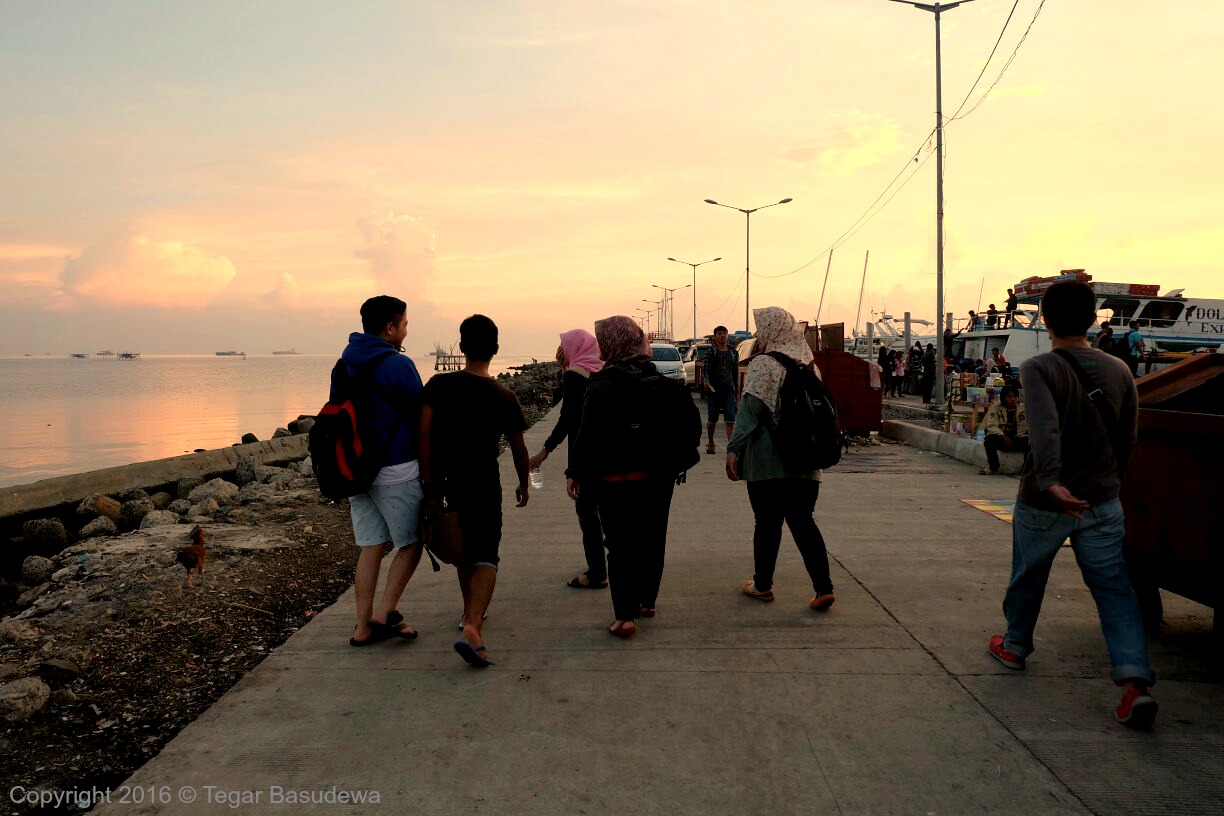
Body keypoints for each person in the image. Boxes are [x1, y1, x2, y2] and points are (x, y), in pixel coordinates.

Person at [988, 280, 1156, 728]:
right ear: (1094, 320)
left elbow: (1044, 431)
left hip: (1045, 501)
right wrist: (1110, 482)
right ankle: (1133, 682)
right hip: (1102, 501)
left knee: (1028, 575)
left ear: (1044, 319)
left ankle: (1016, 646)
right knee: (1115, 590)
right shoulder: (1121, 370)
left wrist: (1051, 481)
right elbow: (1128, 438)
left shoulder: (1039, 368)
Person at [567, 316, 701, 638]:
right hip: (658, 477)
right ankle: (647, 602)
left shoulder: (599, 386)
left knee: (619, 544)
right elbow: (692, 429)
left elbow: (587, 436)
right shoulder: (666, 386)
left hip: (613, 480)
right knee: (653, 537)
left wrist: (576, 473)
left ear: (611, 345)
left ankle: (624, 617)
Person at [420, 314, 531, 669]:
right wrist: (524, 483)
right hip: (483, 483)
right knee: (486, 555)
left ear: (462, 347)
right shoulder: (504, 396)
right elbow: (518, 447)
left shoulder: (438, 385)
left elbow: (422, 434)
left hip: (443, 482)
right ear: (496, 350)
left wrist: (427, 482)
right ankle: (473, 625)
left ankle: (470, 612)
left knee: (460, 547)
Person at [726, 306, 835, 611]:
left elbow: (749, 412)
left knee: (767, 522)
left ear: (771, 331)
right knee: (803, 522)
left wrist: (733, 449)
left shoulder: (764, 364)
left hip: (766, 461)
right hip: (806, 461)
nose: (759, 334)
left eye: (761, 329)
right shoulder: (810, 366)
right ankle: (823, 588)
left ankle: (763, 585)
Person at [334, 295, 425, 647]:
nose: (405, 330)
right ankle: (383, 613)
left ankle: (362, 627)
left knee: (371, 546)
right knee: (411, 543)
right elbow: (421, 418)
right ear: (389, 328)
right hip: (396, 467)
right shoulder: (397, 366)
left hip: (357, 470)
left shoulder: (343, 365)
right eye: (403, 324)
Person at [528, 329, 606, 589]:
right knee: (606, 513)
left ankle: (597, 572)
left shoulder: (575, 375)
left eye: (564, 345)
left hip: (584, 455)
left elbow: (569, 419)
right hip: (607, 453)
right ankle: (611, 568)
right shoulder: (601, 369)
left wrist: (544, 452)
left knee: (587, 511)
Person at [703, 325, 739, 454]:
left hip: (729, 390)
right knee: (712, 418)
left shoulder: (733, 352)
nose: (722, 335)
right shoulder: (710, 352)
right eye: (719, 333)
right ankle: (711, 442)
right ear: (715, 337)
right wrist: (706, 381)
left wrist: (737, 393)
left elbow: (735, 373)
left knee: (730, 418)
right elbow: (705, 369)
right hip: (714, 391)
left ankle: (731, 447)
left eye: (724, 333)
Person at [979, 386, 1029, 475]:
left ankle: (1026, 469)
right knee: (989, 440)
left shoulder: (1023, 409)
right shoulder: (995, 408)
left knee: (1034, 442)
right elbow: (991, 426)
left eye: (1015, 397)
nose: (1013, 399)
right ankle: (993, 467)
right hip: (1002, 439)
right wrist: (1003, 436)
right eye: (1009, 397)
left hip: (1018, 439)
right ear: (1003, 397)